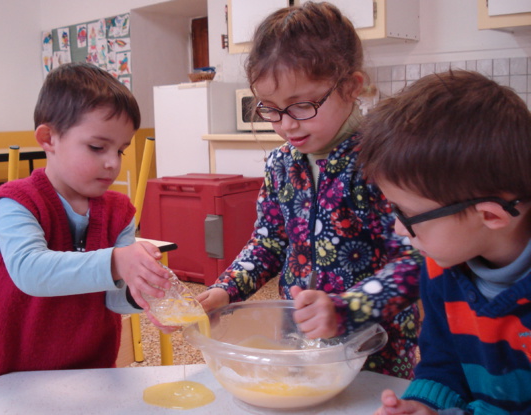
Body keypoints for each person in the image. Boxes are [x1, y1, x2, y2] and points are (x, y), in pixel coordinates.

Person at [197, 1, 422, 379]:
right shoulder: (281, 164)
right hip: (300, 338)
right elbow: (268, 244)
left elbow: (416, 261)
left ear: (351, 87)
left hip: (375, 346)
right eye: (269, 109)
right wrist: (226, 290)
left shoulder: (384, 161)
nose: (286, 125)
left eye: (301, 105)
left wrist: (347, 308)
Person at [0, 62, 171, 383]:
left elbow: (113, 297)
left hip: (91, 372)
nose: (112, 162)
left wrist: (141, 291)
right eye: (97, 147)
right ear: (48, 138)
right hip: (13, 378)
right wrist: (118, 261)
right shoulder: (16, 202)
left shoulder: (119, 211)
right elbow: (30, 271)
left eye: (121, 150)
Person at [358, 70, 531, 414]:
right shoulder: (442, 268)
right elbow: (442, 362)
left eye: (407, 215)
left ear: (490, 216)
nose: (398, 229)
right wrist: (425, 404)